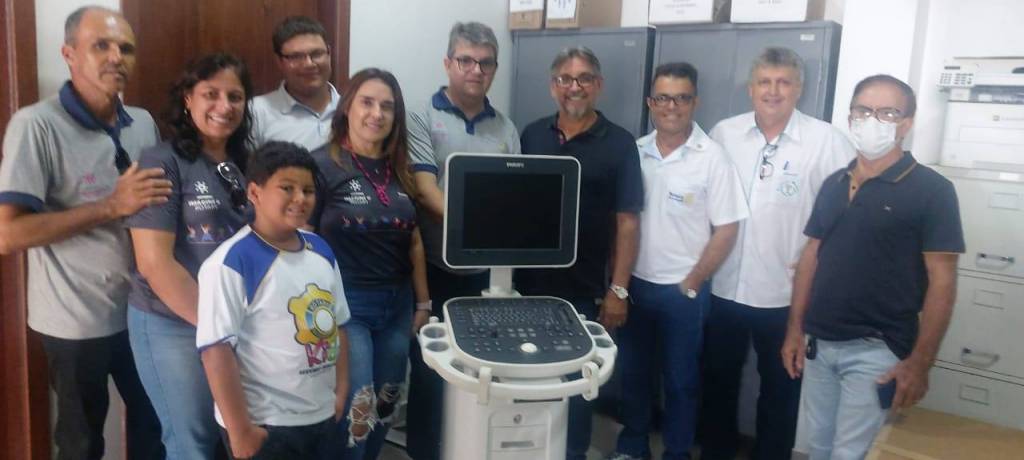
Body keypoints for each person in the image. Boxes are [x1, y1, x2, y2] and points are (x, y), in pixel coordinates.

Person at [0, 6, 169, 459]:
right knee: (80, 444)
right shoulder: (36, 125)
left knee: (157, 428)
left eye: (126, 48)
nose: (116, 57)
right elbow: (7, 234)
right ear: (69, 54)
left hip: (143, 312)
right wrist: (110, 205)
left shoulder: (143, 122)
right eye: (101, 46)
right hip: (74, 322)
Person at [781, 74, 963, 460]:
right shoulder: (835, 183)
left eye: (887, 113)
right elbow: (812, 256)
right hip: (820, 343)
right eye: (863, 111)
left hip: (877, 349)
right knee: (817, 448)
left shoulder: (933, 190)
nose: (872, 121)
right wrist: (795, 330)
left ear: (906, 124)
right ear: (850, 118)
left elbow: (943, 281)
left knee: (851, 454)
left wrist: (921, 362)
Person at [701, 47, 855, 460]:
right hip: (725, 289)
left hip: (786, 296)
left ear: (798, 89)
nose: (773, 91)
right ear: (750, 89)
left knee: (781, 390)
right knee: (717, 384)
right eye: (765, 82)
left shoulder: (827, 142)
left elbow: (848, 216)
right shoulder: (724, 134)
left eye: (783, 82)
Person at [608, 62, 747, 460]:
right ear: (651, 103)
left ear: (694, 102)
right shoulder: (635, 152)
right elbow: (621, 223)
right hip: (635, 286)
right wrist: (617, 283)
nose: (672, 106)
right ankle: (633, 447)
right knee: (634, 376)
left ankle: (677, 452)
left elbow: (727, 228)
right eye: (664, 98)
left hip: (683, 294)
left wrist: (693, 281)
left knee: (681, 381)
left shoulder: (713, 157)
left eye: (682, 98)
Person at [125, 52, 254, 459]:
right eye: (210, 94)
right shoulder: (161, 161)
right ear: (187, 99)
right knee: (192, 442)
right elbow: (154, 263)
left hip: (233, 323)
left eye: (235, 96)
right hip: (172, 323)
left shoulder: (248, 162)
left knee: (235, 435)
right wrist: (220, 328)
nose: (224, 106)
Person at [517, 46, 643, 460]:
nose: (575, 87)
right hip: (528, 286)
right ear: (553, 86)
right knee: (528, 380)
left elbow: (628, 223)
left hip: (584, 289)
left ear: (598, 85)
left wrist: (618, 291)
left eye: (585, 78)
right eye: (566, 79)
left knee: (578, 385)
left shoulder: (620, 144)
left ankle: (572, 454)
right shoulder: (531, 135)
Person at [404, 21, 520, 460]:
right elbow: (425, 190)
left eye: (485, 63)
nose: (476, 70)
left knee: (480, 369)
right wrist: (479, 227)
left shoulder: (506, 129)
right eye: (466, 60)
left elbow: (512, 199)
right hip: (433, 269)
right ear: (448, 63)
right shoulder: (421, 115)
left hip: (487, 276)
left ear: (494, 69)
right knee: (430, 370)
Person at [197, 141, 350, 459]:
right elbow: (216, 352)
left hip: (320, 414)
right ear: (255, 193)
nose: (300, 198)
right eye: (287, 188)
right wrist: (241, 432)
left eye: (308, 190)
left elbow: (339, 324)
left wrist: (341, 389)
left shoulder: (321, 249)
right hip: (267, 424)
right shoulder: (231, 262)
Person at [310, 67, 429, 459]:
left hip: (397, 306)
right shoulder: (321, 165)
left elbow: (414, 239)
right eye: (367, 102)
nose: (377, 113)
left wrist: (423, 302)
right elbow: (302, 239)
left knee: (386, 402)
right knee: (356, 407)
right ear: (348, 107)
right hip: (348, 307)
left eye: (387, 106)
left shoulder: (401, 168)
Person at [251, 16, 339, 151]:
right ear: (279, 61)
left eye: (317, 54)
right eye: (296, 57)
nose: (309, 64)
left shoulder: (352, 109)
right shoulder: (256, 112)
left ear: (329, 53)